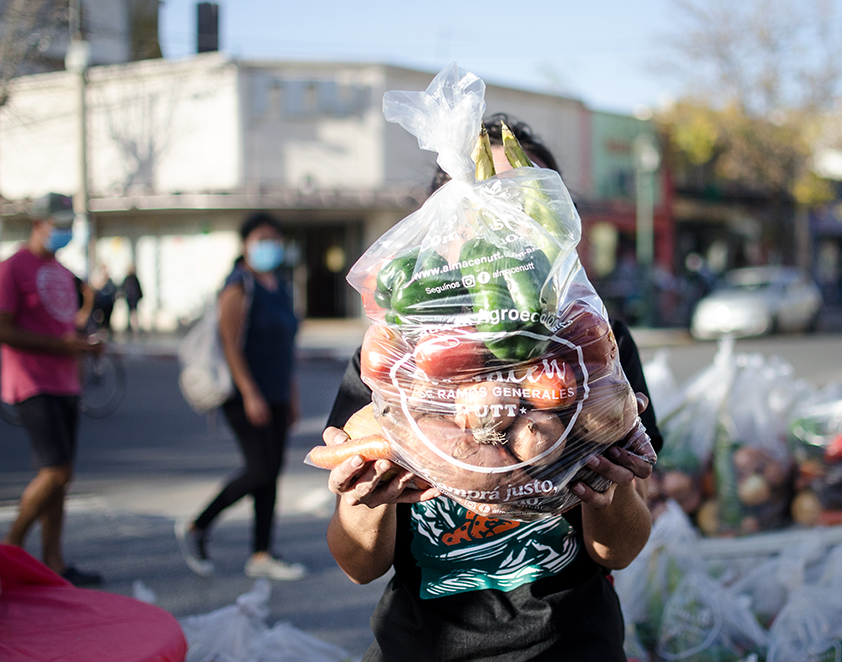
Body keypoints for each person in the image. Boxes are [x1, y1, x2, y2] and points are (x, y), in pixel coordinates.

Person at [323, 114, 663, 661]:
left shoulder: (596, 346)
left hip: (569, 647)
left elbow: (618, 551)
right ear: (444, 224)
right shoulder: (394, 356)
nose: (509, 227)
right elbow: (359, 566)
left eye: (530, 202)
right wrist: (364, 502)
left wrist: (612, 487)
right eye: (488, 204)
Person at [175, 212, 306, 581]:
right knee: (259, 469)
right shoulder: (238, 286)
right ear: (245, 244)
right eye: (262, 238)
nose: (270, 245)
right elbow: (230, 346)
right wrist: (250, 394)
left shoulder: (279, 285)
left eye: (275, 238)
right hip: (243, 394)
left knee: (271, 474)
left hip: (277, 393)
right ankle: (197, 526)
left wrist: (292, 395)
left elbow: (287, 346)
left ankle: (261, 553)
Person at [0, 192, 105, 586]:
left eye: (68, 226)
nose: (64, 232)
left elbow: (65, 327)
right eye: (58, 225)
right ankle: (9, 548)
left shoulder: (62, 271)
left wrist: (86, 340)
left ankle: (53, 563)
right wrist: (62, 345)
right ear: (38, 224)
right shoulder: (11, 269)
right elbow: (3, 328)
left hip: (66, 380)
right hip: (30, 380)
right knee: (55, 471)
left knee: (63, 477)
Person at [90, 264, 117, 336]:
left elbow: (113, 289)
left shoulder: (109, 279)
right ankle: (99, 331)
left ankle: (106, 331)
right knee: (98, 317)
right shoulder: (98, 276)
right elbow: (95, 286)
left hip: (108, 301)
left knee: (107, 318)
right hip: (100, 301)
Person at [121, 266, 143, 334]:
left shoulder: (131, 278)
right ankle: (132, 325)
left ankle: (133, 326)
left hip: (132, 298)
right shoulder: (131, 278)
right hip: (131, 298)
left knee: (133, 312)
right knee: (132, 312)